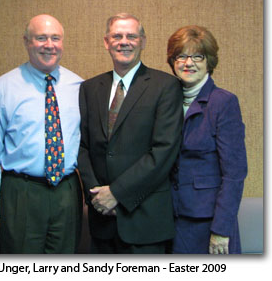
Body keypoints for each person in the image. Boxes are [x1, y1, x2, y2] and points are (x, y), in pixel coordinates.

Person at [78, 13, 183, 254]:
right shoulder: (90, 88)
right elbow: (83, 147)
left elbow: (163, 151)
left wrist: (117, 193)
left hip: (144, 221)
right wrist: (97, 197)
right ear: (106, 42)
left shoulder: (165, 86)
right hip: (102, 221)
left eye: (131, 36)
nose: (124, 41)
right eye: (117, 36)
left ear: (143, 41)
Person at [0, 14, 83, 254]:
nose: (49, 45)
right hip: (21, 193)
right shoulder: (4, 87)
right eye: (41, 38)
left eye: (55, 38)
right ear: (26, 42)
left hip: (66, 193)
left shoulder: (79, 87)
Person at [166, 25, 247, 254]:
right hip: (171, 218)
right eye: (181, 55)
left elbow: (234, 173)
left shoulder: (223, 103)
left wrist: (222, 230)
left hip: (208, 222)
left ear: (209, 61)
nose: (188, 63)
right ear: (172, 61)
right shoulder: (166, 101)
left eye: (197, 56)